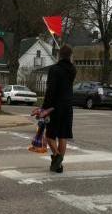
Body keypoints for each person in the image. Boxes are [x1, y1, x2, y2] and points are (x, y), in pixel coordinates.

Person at [42, 44, 76, 173]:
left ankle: (57, 157)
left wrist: (45, 108)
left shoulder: (54, 69)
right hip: (68, 106)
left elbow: (51, 90)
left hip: (55, 106)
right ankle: (59, 166)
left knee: (50, 134)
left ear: (59, 55)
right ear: (70, 56)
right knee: (63, 135)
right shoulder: (73, 70)